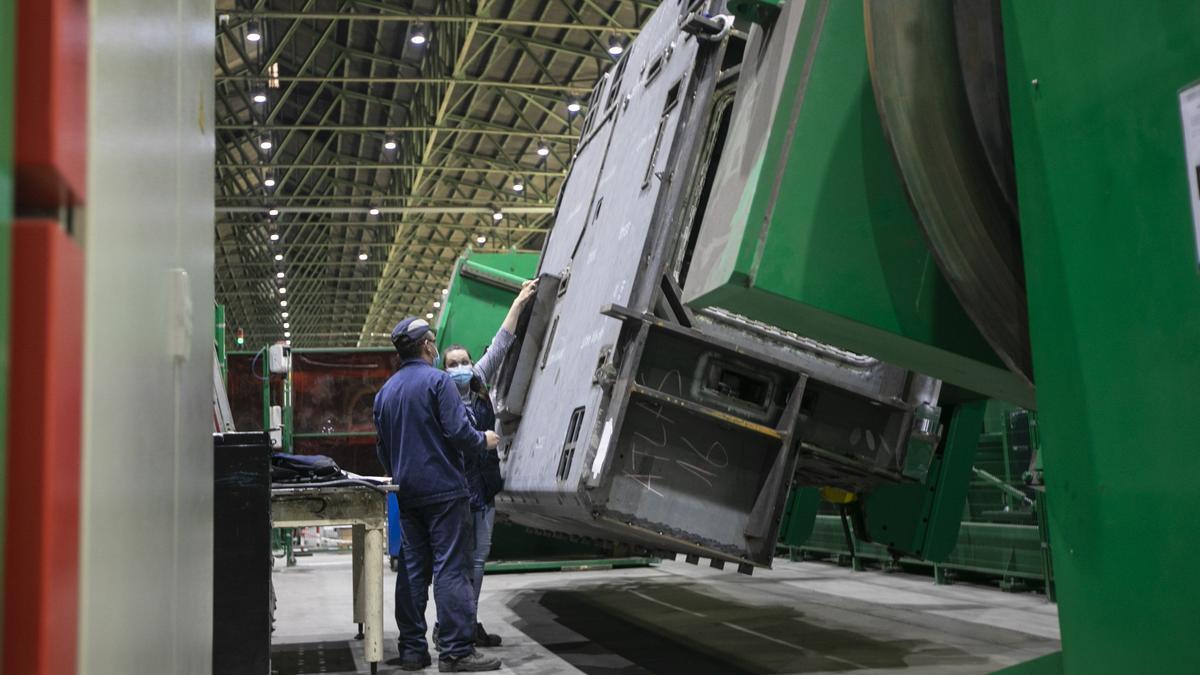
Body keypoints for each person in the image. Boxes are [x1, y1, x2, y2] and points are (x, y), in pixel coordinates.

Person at [374, 317, 502, 673]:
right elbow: (460, 433)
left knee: (413, 570)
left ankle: (413, 650)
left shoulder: (385, 393)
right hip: (445, 491)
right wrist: (484, 441)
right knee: (452, 568)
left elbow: (383, 451)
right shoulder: (438, 383)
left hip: (409, 493)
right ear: (428, 346)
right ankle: (456, 651)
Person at [439, 279, 538, 648]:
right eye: (454, 364)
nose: (462, 368)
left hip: (485, 490)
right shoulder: (441, 397)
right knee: (459, 565)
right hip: (459, 493)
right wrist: (482, 442)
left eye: (464, 362)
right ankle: (451, 626)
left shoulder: (479, 382)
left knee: (478, 561)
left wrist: (519, 302)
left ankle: (468, 622)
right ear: (443, 369)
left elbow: (501, 344)